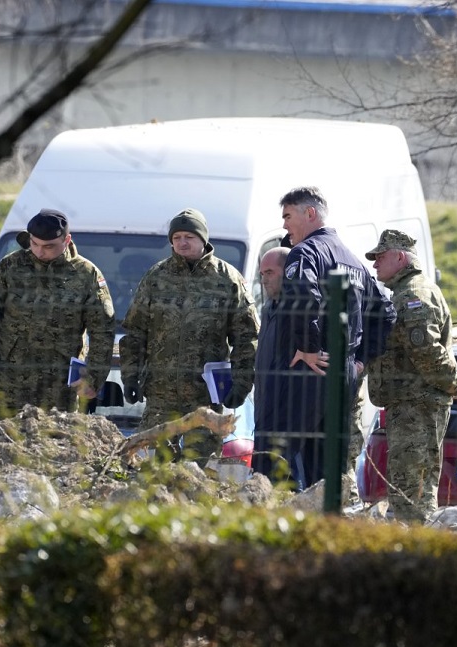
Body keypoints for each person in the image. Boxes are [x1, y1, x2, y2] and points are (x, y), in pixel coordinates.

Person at [278, 186, 395, 488]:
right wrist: (359, 360)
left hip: (312, 371)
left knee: (279, 457)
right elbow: (385, 313)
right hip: (344, 373)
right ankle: (326, 515)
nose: (285, 225)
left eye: (288, 216)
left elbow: (303, 296)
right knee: (327, 467)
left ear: (310, 213)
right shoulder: (352, 259)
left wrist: (308, 347)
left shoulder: (306, 253)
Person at [119, 209, 259, 461]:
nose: (182, 243)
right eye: (177, 237)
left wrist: (241, 384)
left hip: (205, 397)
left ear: (203, 239)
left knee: (197, 468)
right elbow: (135, 331)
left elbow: (246, 337)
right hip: (161, 396)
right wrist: (130, 377)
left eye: (189, 237)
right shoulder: (156, 277)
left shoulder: (227, 279)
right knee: (153, 467)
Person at [0, 209, 115, 416]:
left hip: (59, 386)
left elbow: (102, 330)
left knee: (54, 436)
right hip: (8, 381)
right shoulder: (11, 266)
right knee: (0, 435)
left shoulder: (86, 274)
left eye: (48, 246)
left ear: (66, 240)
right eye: (34, 244)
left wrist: (94, 377)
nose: (39, 252)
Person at [365, 230, 457, 522]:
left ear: (400, 257)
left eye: (380, 257)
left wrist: (453, 383)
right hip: (412, 404)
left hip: (417, 405)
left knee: (412, 489)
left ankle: (418, 541)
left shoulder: (413, 294)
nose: (375, 264)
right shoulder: (408, 290)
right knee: (410, 484)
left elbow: (426, 350)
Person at [252, 246, 294, 478]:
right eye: (261, 274)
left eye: (269, 272)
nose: (263, 280)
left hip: (285, 414)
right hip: (264, 409)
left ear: (288, 272)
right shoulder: (269, 308)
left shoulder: (297, 312)